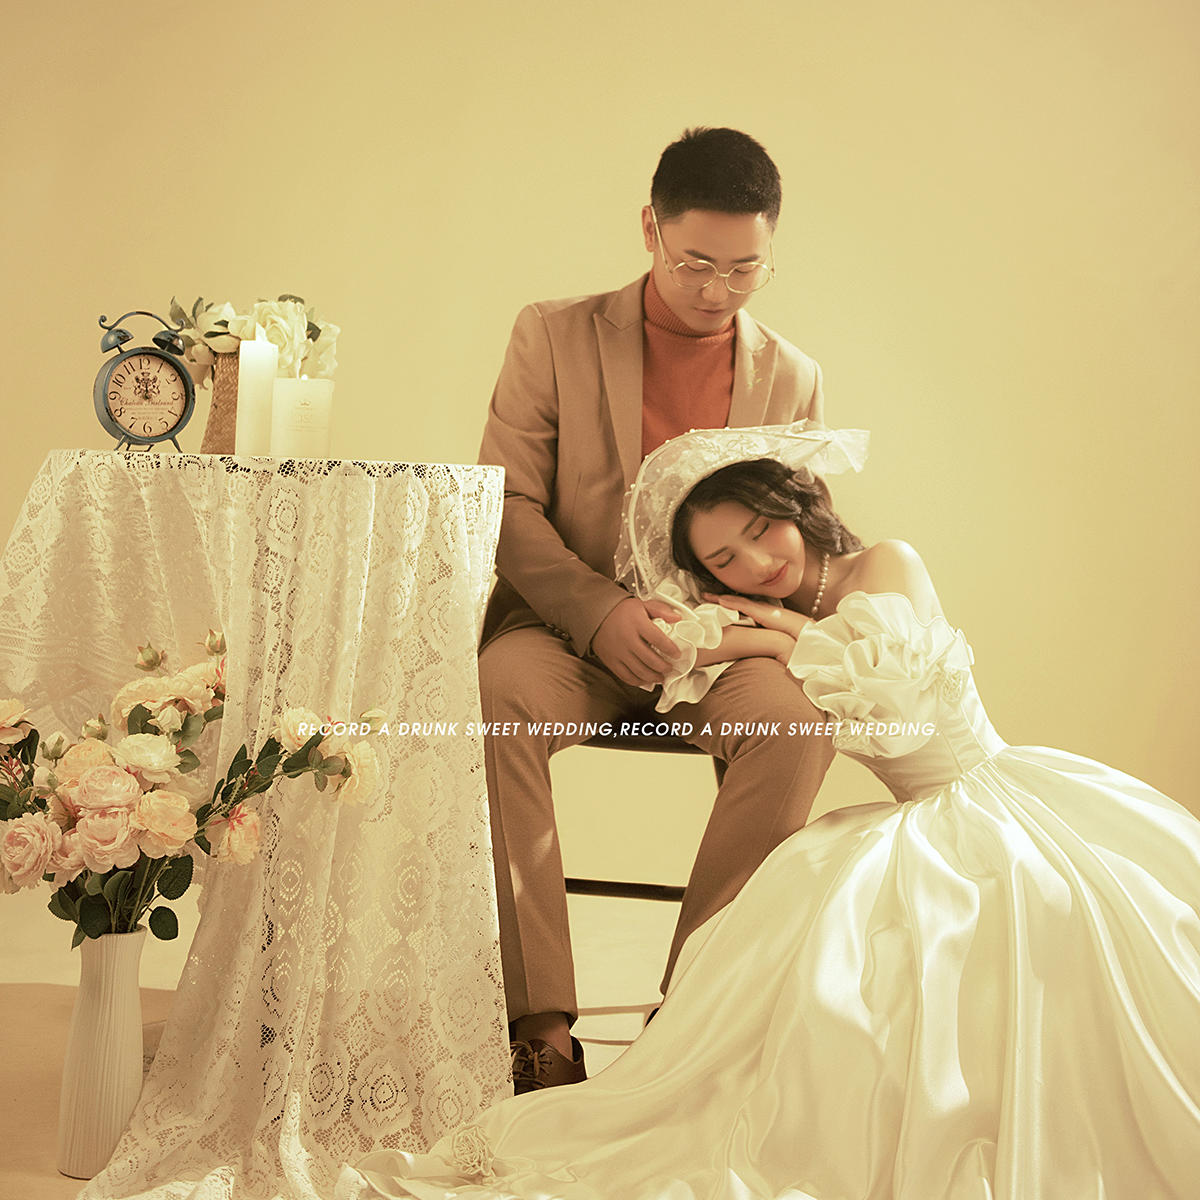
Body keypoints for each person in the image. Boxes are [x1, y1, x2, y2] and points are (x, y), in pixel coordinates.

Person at [338, 422, 1200, 1199]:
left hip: (981, 793)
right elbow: (738, 658)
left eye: (760, 529)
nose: (755, 564)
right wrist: (760, 628)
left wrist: (775, 632)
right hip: (910, 811)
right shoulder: (774, 612)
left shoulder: (887, 562)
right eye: (725, 559)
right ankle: (630, 1037)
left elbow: (898, 711)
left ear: (795, 504)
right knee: (820, 936)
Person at [477, 128, 834, 1092]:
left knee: (797, 726)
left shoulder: (791, 375)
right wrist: (599, 613)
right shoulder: (552, 333)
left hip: (717, 648)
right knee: (497, 694)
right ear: (651, 229)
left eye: (745, 269)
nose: (718, 290)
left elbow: (798, 536)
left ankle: (691, 1019)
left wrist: (741, 627)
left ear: (770, 249)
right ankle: (541, 1027)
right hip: (569, 635)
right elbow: (505, 505)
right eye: (695, 264)